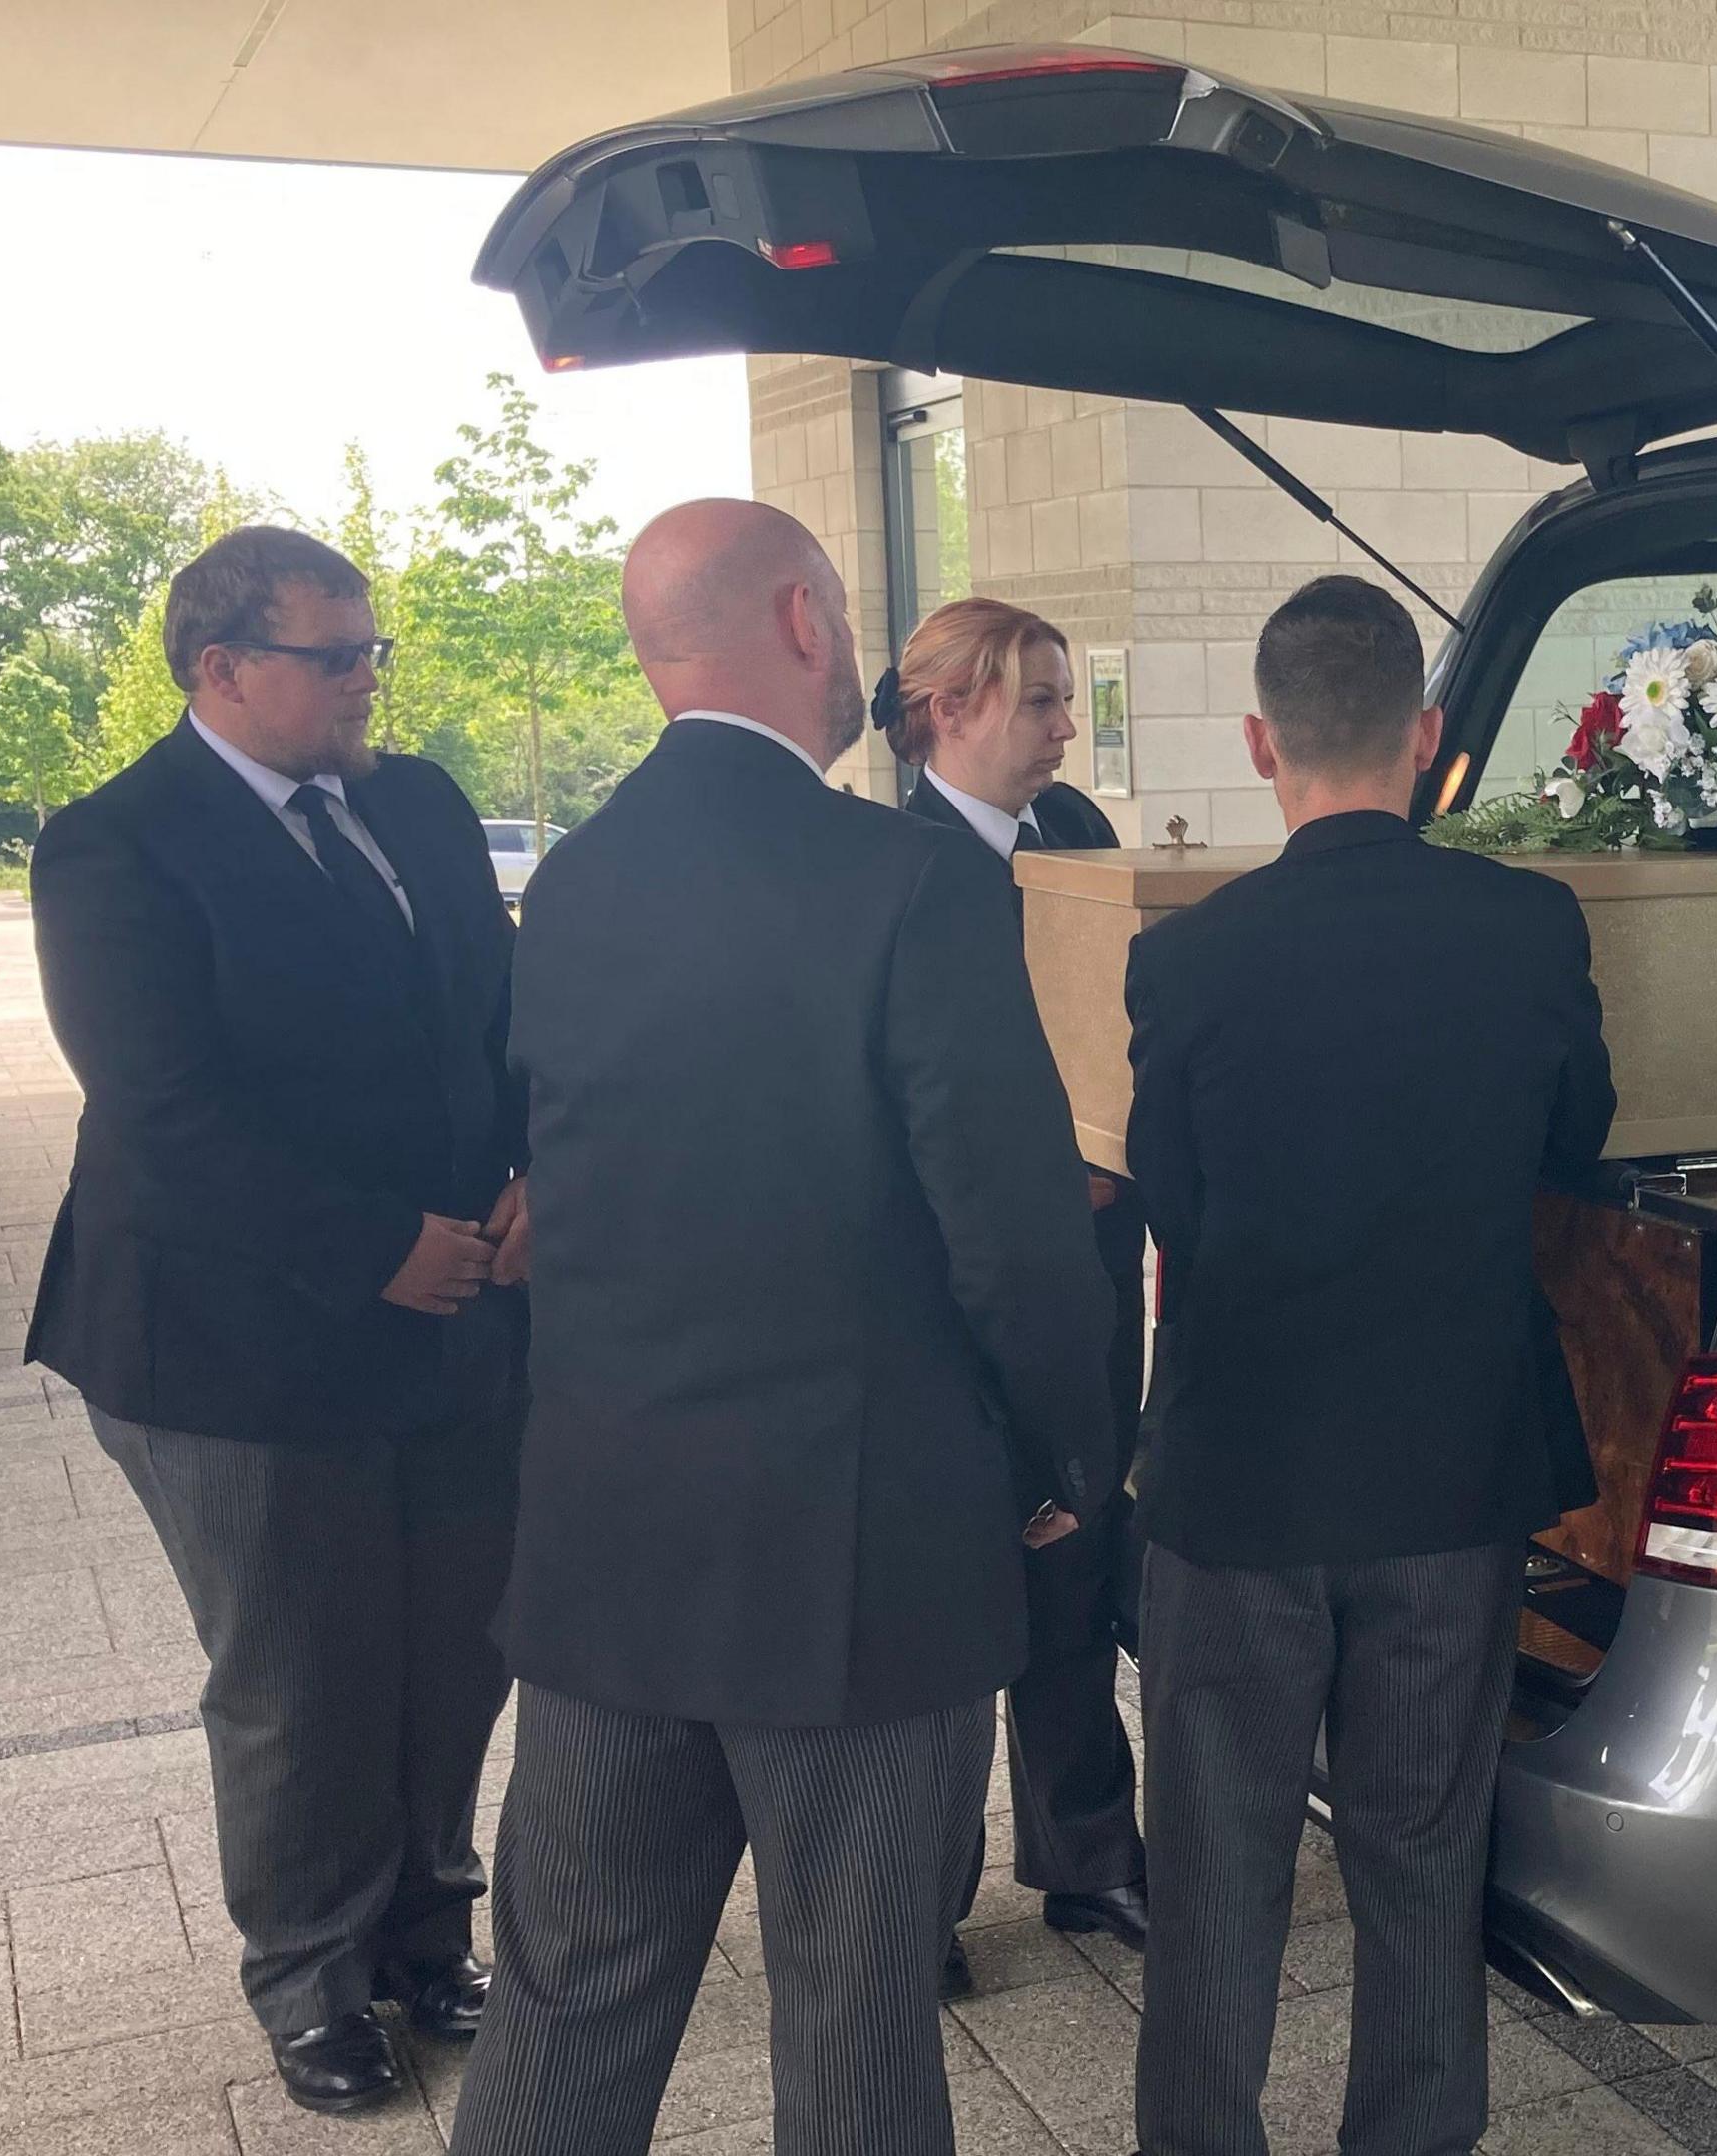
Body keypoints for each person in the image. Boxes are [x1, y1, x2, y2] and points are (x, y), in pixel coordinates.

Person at [453, 502, 1116, 2156]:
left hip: (608, 1546)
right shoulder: (906, 880)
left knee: (568, 2001)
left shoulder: (571, 883)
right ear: (806, 621)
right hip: (858, 1562)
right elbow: (1015, 1232)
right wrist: (1058, 1458)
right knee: (853, 2010)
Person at [28, 525, 528, 2116]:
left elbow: (501, 1010)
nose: (368, 681)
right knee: (301, 1673)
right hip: (227, 1343)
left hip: (459, 1313)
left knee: (453, 1650)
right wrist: (380, 1248)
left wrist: (536, 1170)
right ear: (221, 670)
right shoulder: (118, 846)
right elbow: (165, 1114)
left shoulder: (420, 803)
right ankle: (311, 1978)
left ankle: (425, 1930)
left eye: (374, 650)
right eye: (337, 657)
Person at [1126, 574, 1615, 2156]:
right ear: (1428, 738)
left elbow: (1173, 1214)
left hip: (1241, 1477)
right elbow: (1577, 1143)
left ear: (1262, 742)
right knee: (1421, 1848)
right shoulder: (1529, 924)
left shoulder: (1190, 961)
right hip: (1448, 1469)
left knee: (1218, 1862)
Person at [877, 597, 1148, 1994]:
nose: (1061, 727)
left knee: (1076, 1566)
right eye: (1037, 698)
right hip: (947, 1286)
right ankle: (914, 1902)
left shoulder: (1081, 840)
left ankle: (1089, 1852)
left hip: (1093, 1273)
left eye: (1065, 698)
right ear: (947, 709)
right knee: (946, 1591)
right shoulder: (884, 864)